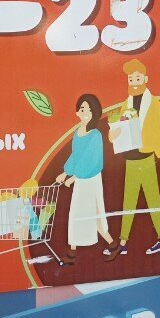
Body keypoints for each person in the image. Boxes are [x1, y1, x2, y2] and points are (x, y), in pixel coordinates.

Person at [104, 59, 160, 260]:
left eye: (137, 78)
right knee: (129, 202)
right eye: (131, 78)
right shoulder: (127, 104)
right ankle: (123, 243)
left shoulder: (154, 105)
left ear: (145, 78)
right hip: (130, 159)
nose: (134, 82)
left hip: (146, 158)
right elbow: (119, 130)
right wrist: (112, 135)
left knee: (153, 199)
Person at [56, 94, 116, 265]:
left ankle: (75, 252)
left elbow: (91, 160)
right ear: (77, 112)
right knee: (81, 214)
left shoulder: (95, 135)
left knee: (90, 214)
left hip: (91, 179)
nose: (85, 113)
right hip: (81, 180)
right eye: (82, 109)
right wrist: (65, 172)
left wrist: (74, 177)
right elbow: (76, 156)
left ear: (95, 113)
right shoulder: (78, 133)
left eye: (89, 109)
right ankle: (77, 251)